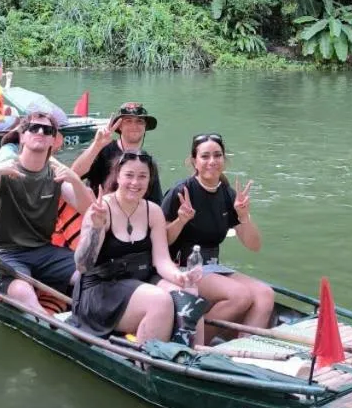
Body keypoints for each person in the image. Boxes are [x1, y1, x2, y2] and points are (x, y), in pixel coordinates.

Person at [0, 113, 94, 310]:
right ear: (22, 136)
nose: (40, 132)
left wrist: (75, 180)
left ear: (53, 139)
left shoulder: (56, 175)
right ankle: (47, 323)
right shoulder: (5, 171)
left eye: (47, 130)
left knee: (89, 276)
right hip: (3, 253)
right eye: (33, 128)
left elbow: (89, 210)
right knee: (22, 290)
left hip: (43, 251)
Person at [162, 132, 274, 338]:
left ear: (224, 159)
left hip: (212, 266)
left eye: (217, 155)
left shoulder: (228, 194)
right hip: (181, 267)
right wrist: (181, 220)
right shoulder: (182, 191)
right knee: (239, 296)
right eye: (205, 156)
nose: (212, 161)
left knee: (265, 294)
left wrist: (243, 216)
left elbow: (254, 245)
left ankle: (243, 350)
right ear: (194, 161)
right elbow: (160, 241)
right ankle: (194, 344)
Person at [73, 150, 191, 340]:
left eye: (142, 176)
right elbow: (82, 265)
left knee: (188, 294)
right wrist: (96, 228)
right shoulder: (102, 209)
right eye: (129, 175)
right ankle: (146, 356)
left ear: (150, 180)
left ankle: (191, 353)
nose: (135, 183)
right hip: (102, 289)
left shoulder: (153, 211)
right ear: (118, 176)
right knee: (159, 301)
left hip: (141, 280)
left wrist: (181, 277)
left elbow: (162, 260)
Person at [71, 101, 163, 201]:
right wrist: (96, 146)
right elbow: (74, 174)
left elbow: (156, 201)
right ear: (119, 126)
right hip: (98, 208)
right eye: (128, 121)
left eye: (139, 121)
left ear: (145, 126)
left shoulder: (147, 161)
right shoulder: (102, 149)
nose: (134, 126)